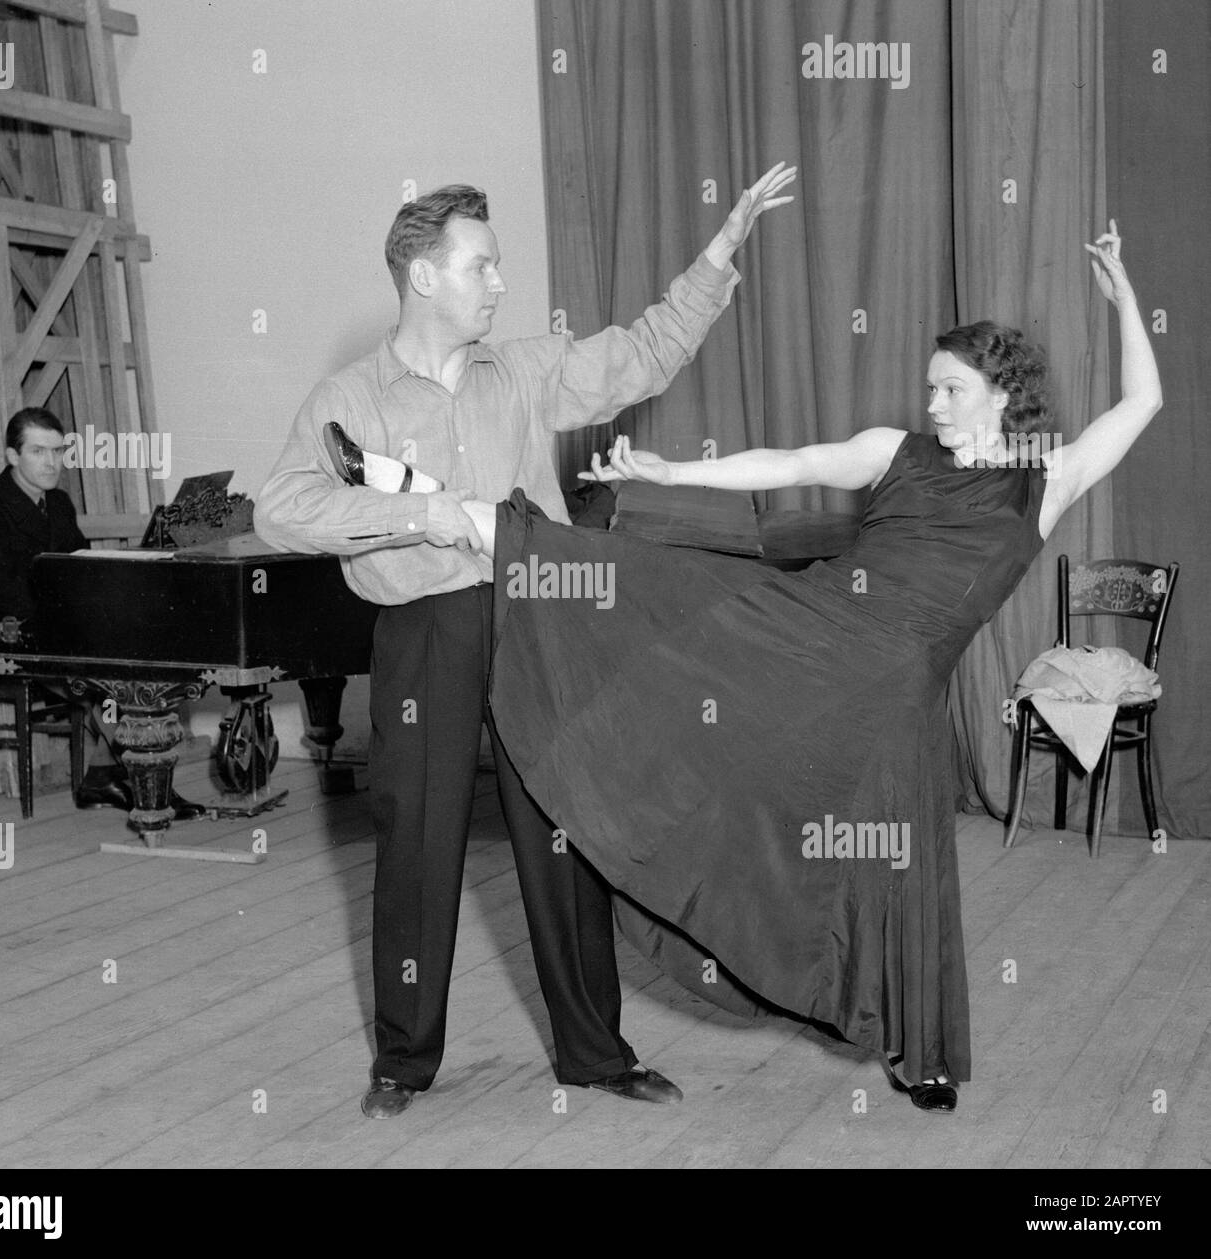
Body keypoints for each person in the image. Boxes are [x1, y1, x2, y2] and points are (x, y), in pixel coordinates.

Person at [461, 221, 1159, 1112]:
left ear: (1000, 395)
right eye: (931, 387)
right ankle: (481, 527)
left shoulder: (1043, 480)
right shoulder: (894, 452)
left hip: (898, 690)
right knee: (669, 591)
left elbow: (1141, 404)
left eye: (951, 389)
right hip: (812, 631)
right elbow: (790, 463)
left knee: (900, 864)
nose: (934, 404)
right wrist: (669, 472)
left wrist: (1127, 297)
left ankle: (924, 1055)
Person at [254, 163, 798, 1118]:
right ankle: (404, 1060)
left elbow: (645, 354)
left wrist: (719, 255)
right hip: (425, 630)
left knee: (564, 834)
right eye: (482, 266)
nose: (501, 283)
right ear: (423, 277)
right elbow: (283, 507)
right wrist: (426, 516)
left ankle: (594, 1051)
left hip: (537, 619)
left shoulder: (527, 371)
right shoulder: (353, 394)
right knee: (417, 843)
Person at [0, 408, 129, 810]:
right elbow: (5, 594)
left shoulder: (60, 504)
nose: (52, 462)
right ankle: (131, 776)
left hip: (51, 632)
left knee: (128, 668)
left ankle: (107, 774)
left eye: (58, 451)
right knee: (105, 676)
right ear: (12, 456)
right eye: (38, 451)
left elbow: (77, 569)